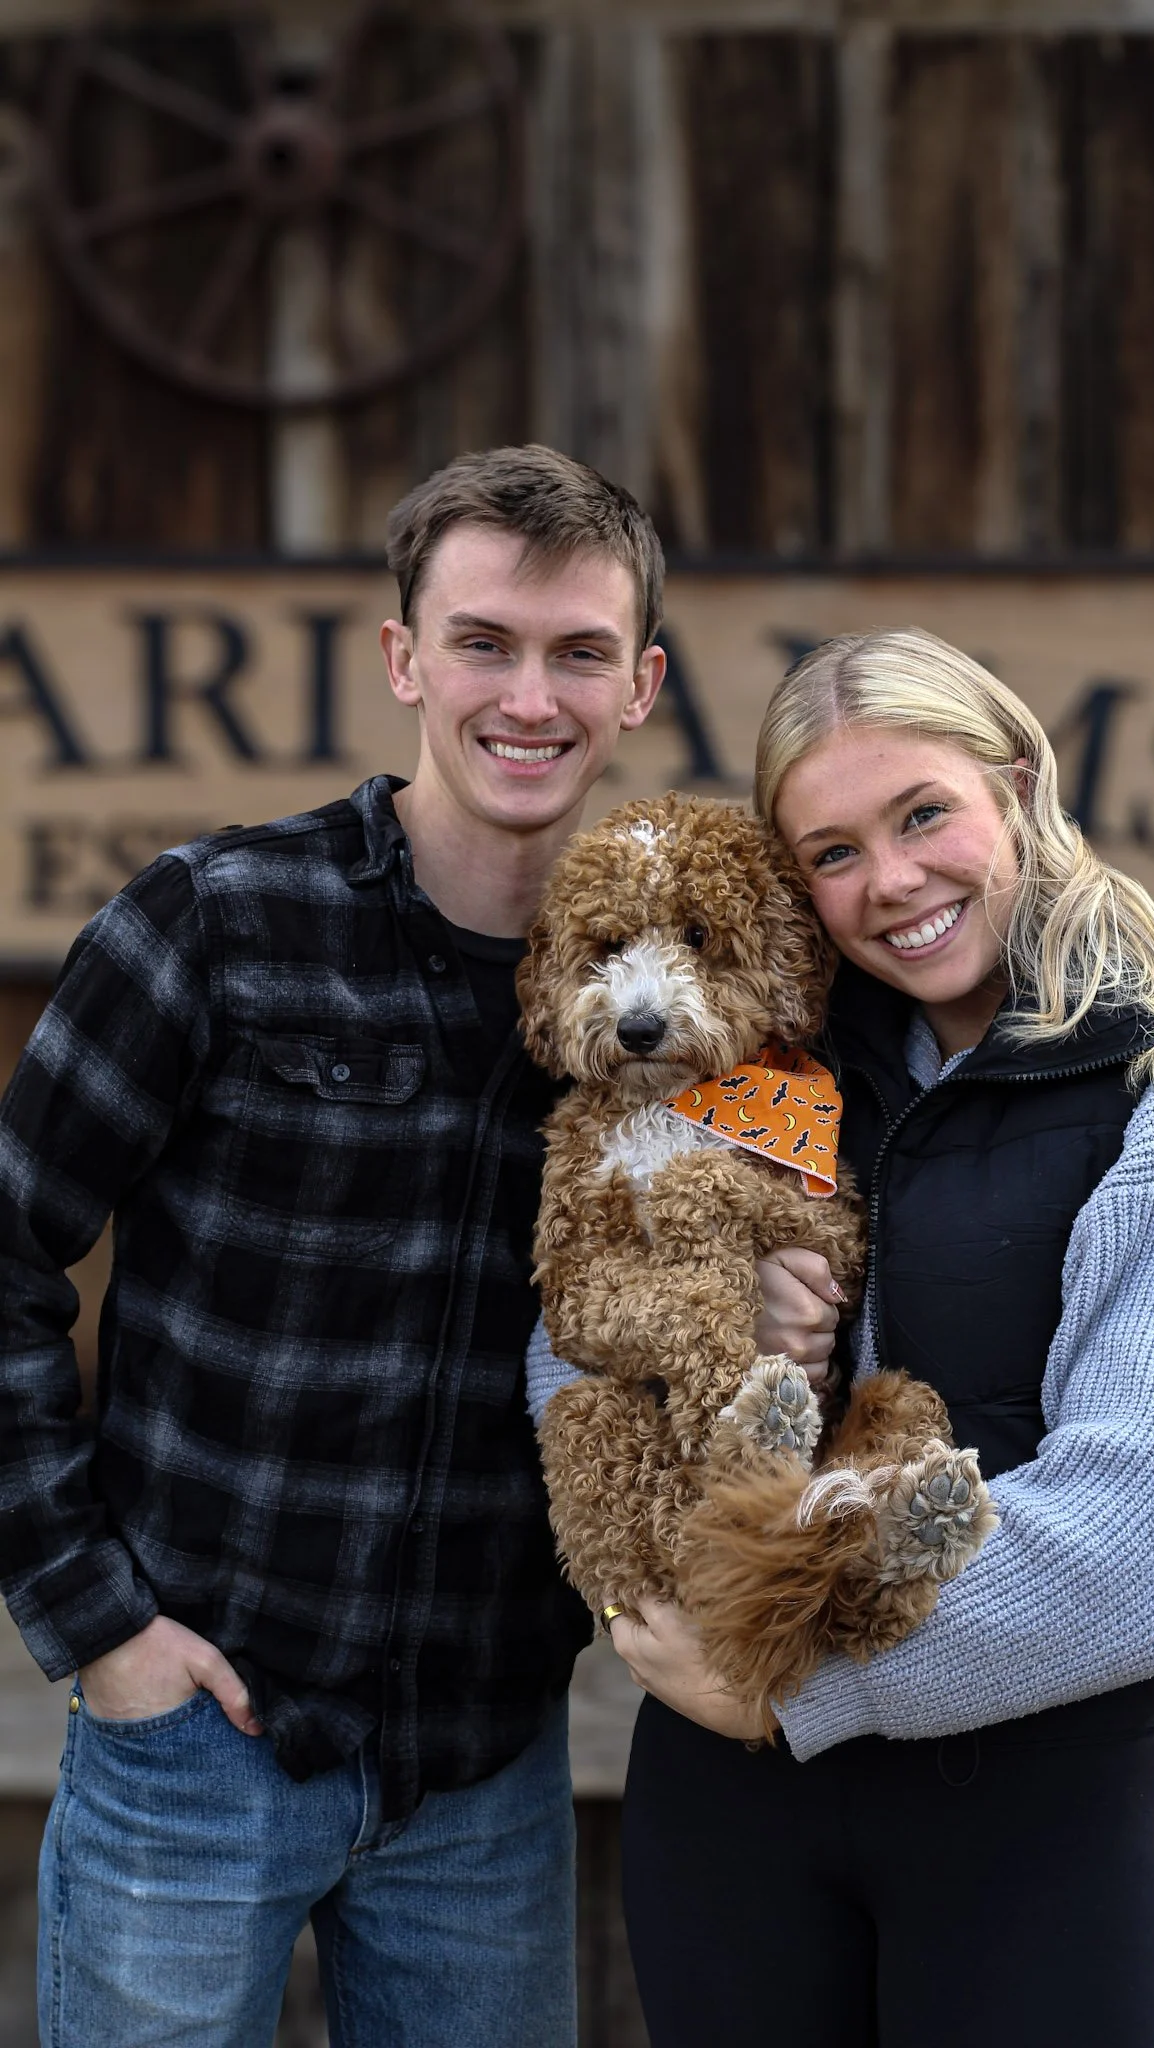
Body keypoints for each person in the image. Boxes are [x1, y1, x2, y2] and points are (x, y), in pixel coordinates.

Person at [535, 629, 1154, 2048]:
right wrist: (633, 1590)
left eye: (923, 815)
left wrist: (791, 1683)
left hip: (1021, 1811)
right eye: (832, 852)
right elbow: (576, 1307)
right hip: (727, 1812)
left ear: (1017, 787)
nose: (892, 883)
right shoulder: (760, 1058)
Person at [0, 444, 682, 2048]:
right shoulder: (215, 922)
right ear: (402, 660)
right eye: (483, 643)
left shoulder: (656, 1004)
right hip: (196, 1737)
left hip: (483, 1767)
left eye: (580, 651)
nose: (531, 695)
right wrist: (96, 1621)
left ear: (641, 684)